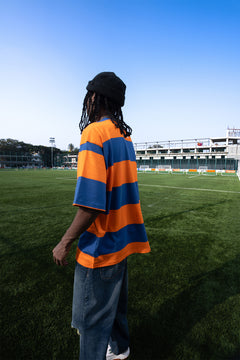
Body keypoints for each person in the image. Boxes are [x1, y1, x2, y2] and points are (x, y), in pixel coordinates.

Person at [52, 72, 151, 360]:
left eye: (90, 96)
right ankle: (120, 352)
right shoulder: (125, 136)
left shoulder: (94, 133)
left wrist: (65, 242)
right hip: (122, 244)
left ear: (95, 98)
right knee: (117, 310)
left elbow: (92, 204)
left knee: (90, 324)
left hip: (100, 248)